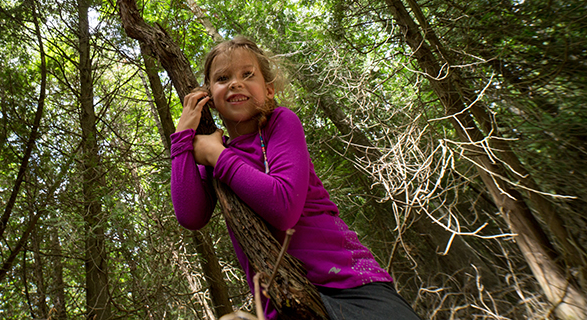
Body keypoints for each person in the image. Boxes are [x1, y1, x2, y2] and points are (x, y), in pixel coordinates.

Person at [170, 36, 422, 320]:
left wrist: (217, 156)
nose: (235, 83)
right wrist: (182, 140)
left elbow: (284, 208)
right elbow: (191, 216)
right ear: (210, 100)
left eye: (247, 74)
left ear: (268, 90)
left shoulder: (280, 122)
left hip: (350, 284)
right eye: (223, 78)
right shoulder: (216, 151)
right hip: (283, 301)